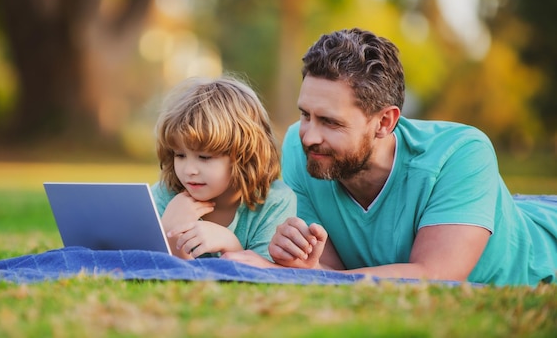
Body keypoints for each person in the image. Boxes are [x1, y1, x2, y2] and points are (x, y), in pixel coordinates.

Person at [222, 28, 557, 286]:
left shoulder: (462, 152)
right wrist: (297, 264)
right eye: (305, 114)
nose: (309, 135)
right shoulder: (301, 148)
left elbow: (434, 276)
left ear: (384, 122)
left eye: (330, 121)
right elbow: (329, 274)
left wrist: (284, 273)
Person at [151, 76, 297, 261]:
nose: (189, 170)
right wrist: (169, 233)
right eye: (180, 155)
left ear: (245, 156)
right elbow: (153, 270)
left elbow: (263, 277)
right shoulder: (167, 197)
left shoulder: (274, 203)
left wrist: (230, 244)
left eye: (204, 157)